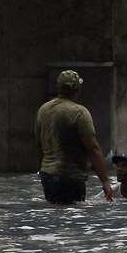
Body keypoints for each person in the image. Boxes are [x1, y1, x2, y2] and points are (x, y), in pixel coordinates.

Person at [35, 70, 115, 204]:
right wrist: (105, 181)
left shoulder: (43, 110)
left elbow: (38, 145)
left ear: (59, 88)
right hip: (70, 176)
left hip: (47, 175)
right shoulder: (79, 112)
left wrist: (42, 170)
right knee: (73, 217)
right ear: (78, 89)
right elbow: (92, 148)